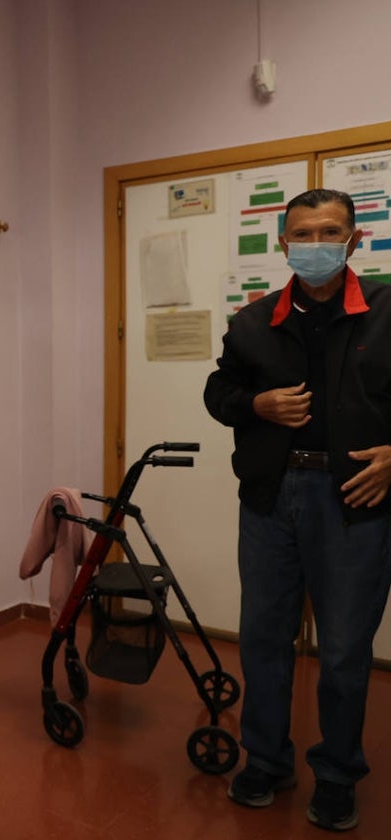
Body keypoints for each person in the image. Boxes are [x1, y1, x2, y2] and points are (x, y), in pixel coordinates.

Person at [204, 188, 391, 832]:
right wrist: (254, 406)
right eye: (303, 235)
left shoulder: (388, 313)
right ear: (284, 244)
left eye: (329, 232)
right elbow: (219, 389)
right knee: (262, 639)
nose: (315, 245)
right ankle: (266, 759)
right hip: (269, 498)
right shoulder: (253, 321)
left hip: (354, 499)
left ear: (355, 239)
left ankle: (337, 774)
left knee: (342, 650)